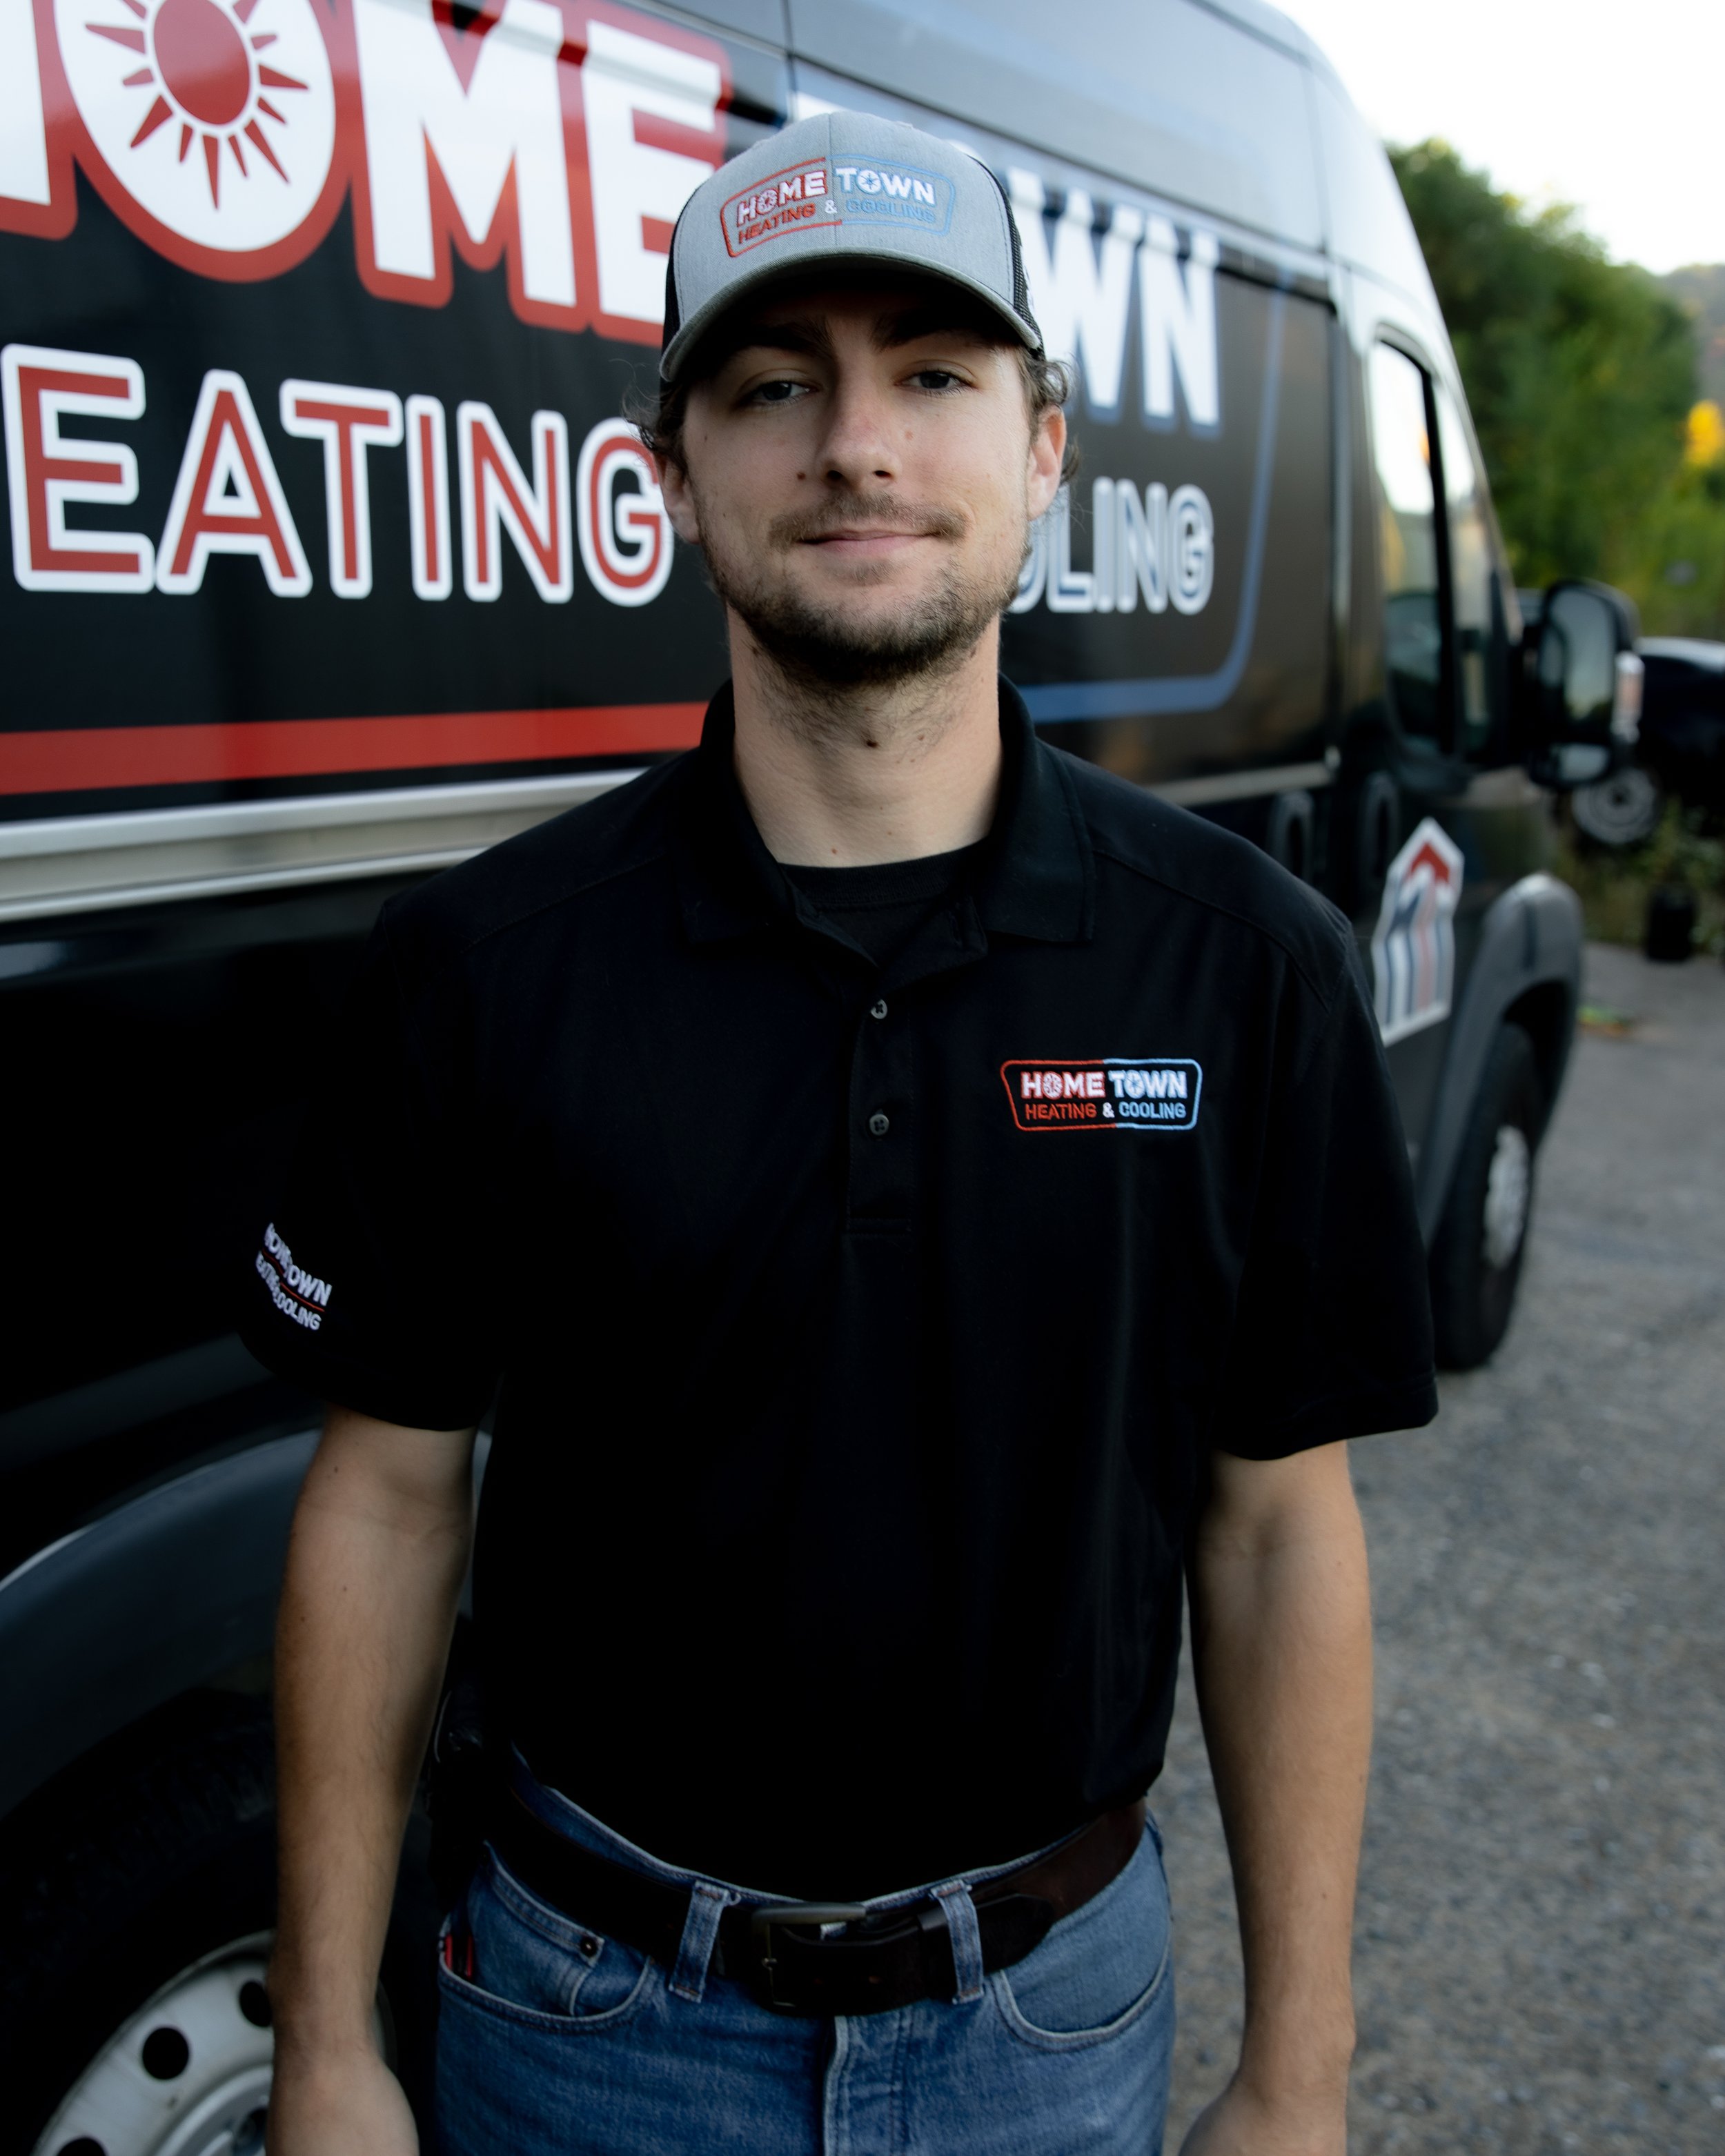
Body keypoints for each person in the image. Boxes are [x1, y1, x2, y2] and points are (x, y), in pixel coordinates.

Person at [251, 111, 1437, 2156]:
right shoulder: (483, 966)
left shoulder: (1244, 971)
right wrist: (331, 2040)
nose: (857, 445)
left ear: (1044, 446)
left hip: (1052, 2028)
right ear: (672, 471)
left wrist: (1296, 2068)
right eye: (776, 384)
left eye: (934, 376)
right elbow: (383, 1502)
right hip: (583, 2016)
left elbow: (1274, 1534)